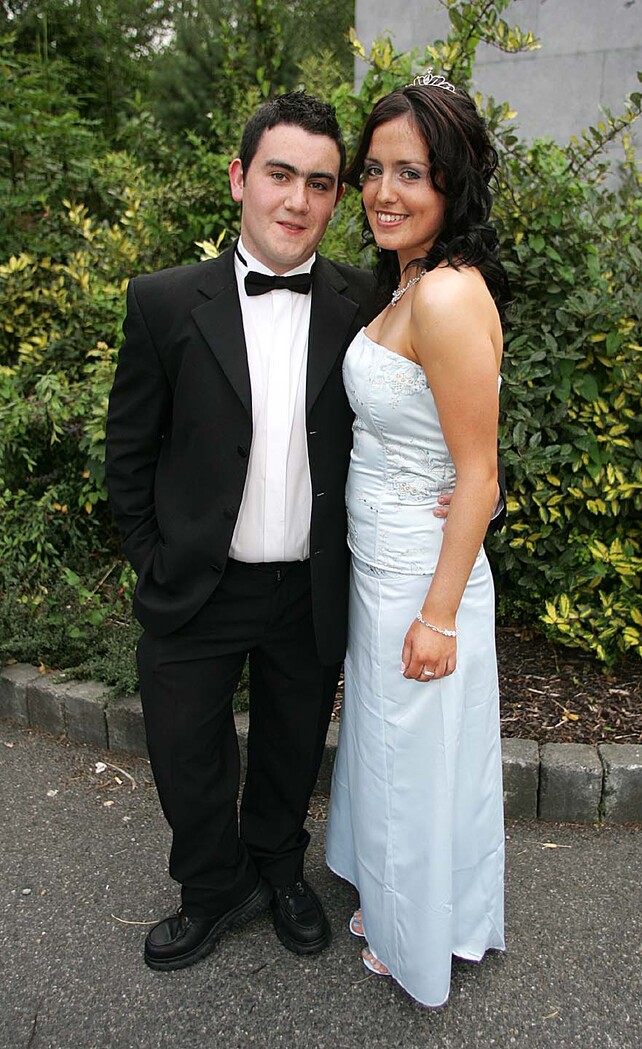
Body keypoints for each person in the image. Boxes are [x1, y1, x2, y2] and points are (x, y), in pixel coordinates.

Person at [105, 92, 378, 971]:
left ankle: (279, 868)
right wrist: (153, 554)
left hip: (308, 584)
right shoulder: (162, 302)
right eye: (279, 175)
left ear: (336, 198)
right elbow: (129, 450)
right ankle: (213, 885)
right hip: (198, 579)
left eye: (320, 183)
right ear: (239, 178)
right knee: (185, 752)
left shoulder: (366, 301)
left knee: (293, 748)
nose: (297, 200)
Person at [326, 71, 509, 1007]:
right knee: (397, 752)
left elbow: (479, 473)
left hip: (422, 581)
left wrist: (438, 616)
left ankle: (420, 934)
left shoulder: (443, 296)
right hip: (384, 564)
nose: (384, 192)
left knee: (414, 757)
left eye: (411, 173)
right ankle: (412, 900)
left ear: (452, 183)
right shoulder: (408, 280)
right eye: (374, 170)